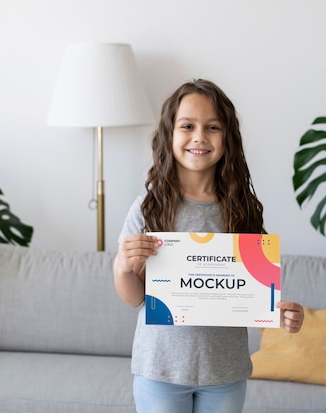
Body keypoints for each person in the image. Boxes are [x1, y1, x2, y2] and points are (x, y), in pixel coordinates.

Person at [113, 78, 304, 413]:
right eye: (187, 126)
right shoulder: (148, 207)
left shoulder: (243, 208)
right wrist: (123, 265)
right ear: (169, 135)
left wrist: (280, 313)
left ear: (227, 138)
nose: (199, 137)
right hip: (160, 369)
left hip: (225, 371)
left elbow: (250, 292)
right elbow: (133, 298)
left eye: (212, 127)